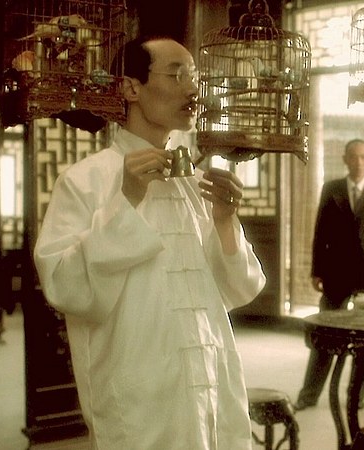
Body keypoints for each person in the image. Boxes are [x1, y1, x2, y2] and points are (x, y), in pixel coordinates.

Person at [33, 35, 267, 449]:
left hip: (209, 374)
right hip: (137, 384)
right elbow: (64, 285)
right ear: (131, 87)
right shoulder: (85, 180)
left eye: (194, 77)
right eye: (177, 75)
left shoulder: (195, 182)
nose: (193, 90)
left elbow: (238, 288)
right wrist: (126, 200)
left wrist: (224, 221)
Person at [294, 138, 364, 411]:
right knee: (325, 336)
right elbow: (320, 233)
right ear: (345, 159)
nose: (359, 162)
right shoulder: (332, 190)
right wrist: (316, 270)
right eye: (354, 157)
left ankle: (356, 396)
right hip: (335, 274)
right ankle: (308, 395)